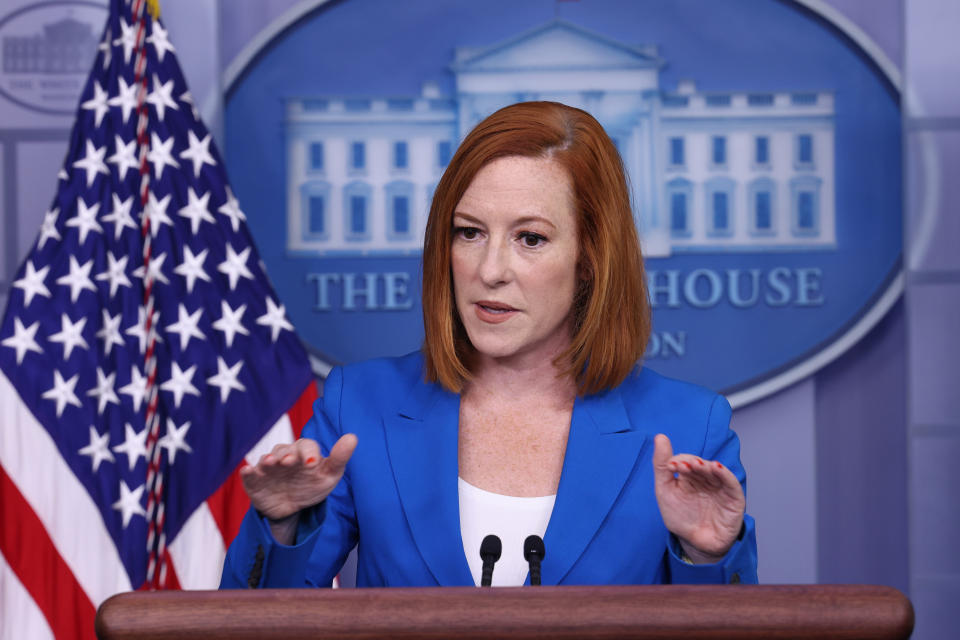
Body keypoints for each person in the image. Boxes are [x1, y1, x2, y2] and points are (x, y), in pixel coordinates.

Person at [220, 101, 757, 589]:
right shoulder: (359, 403)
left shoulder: (689, 425)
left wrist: (706, 556)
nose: (490, 270)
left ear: (591, 259)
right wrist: (284, 525)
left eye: (530, 238)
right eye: (469, 232)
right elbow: (265, 623)